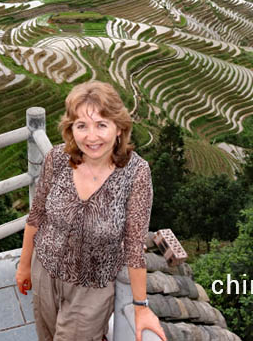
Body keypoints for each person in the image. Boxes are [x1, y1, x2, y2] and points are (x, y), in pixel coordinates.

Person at [16, 80, 166, 341]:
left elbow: (133, 246)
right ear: (71, 129)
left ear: (119, 128)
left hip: (92, 286)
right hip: (45, 271)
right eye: (81, 126)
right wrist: (24, 265)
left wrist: (141, 307)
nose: (91, 136)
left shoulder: (136, 173)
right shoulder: (58, 158)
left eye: (101, 125)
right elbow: (37, 214)